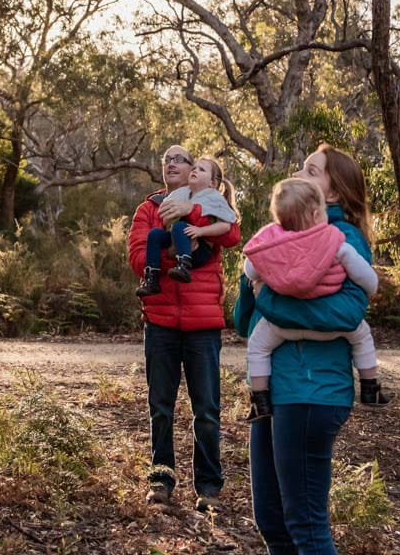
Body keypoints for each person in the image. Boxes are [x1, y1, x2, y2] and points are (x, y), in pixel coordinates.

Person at [232, 144, 373, 554]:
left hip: (310, 392)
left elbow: (348, 311)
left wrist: (268, 298)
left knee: (306, 526)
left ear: (333, 194)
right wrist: (251, 275)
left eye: (312, 170)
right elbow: (244, 322)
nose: (299, 173)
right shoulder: (278, 238)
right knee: (273, 522)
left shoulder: (340, 238)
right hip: (272, 390)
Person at [128, 144, 243, 512]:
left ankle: (208, 487)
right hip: (160, 322)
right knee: (160, 406)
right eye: (166, 159)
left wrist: (190, 213)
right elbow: (136, 258)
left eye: (180, 159)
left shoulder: (209, 200)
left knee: (206, 409)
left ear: (195, 169)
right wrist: (178, 244)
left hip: (203, 323)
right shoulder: (149, 209)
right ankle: (161, 479)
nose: (172, 163)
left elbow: (230, 235)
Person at [240, 178, 382, 421]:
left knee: (258, 346)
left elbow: (250, 269)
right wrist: (370, 288)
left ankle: (259, 400)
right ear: (317, 214)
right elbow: (368, 280)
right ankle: (370, 387)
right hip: (332, 328)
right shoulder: (335, 241)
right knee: (361, 335)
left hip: (282, 327)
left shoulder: (272, 241)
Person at [137, 157, 238, 296]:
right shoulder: (180, 195)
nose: (195, 170)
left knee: (180, 227)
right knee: (154, 234)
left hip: (199, 250)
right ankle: (152, 277)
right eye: (195, 168)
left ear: (212, 182)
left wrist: (200, 230)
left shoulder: (214, 198)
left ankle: (184, 266)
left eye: (201, 169)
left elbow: (227, 227)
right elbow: (165, 220)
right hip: (177, 239)